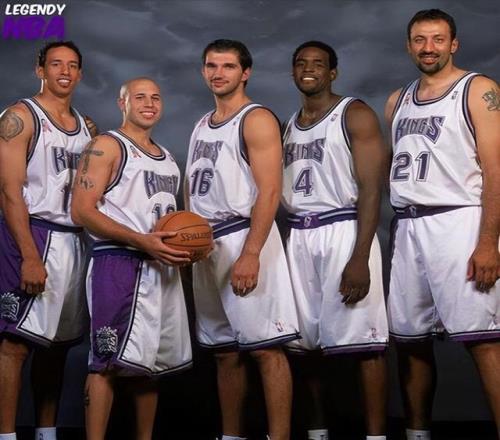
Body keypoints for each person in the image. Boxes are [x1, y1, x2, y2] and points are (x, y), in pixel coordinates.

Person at [385, 9, 500, 440]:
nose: (428, 47)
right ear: (409, 45)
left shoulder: (479, 90)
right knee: (410, 341)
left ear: (454, 44)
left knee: (483, 338)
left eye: (437, 39)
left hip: (459, 223)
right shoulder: (396, 100)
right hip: (408, 226)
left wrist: (488, 243)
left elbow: (496, 171)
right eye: (420, 39)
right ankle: (417, 434)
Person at [185, 39, 299, 440]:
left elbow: (270, 191)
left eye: (228, 66)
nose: (219, 73)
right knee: (224, 353)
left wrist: (251, 253)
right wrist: (187, 245)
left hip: (244, 237)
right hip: (206, 246)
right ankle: (231, 436)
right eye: (212, 66)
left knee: (266, 349)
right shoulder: (202, 123)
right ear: (204, 71)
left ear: (245, 72)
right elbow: (191, 193)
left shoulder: (256, 118)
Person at [71, 77, 192, 440]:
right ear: (122, 103)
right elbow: (82, 211)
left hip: (160, 266)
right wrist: (141, 240)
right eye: (139, 97)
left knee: (150, 365)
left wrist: (188, 247)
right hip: (118, 263)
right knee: (105, 362)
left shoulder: (168, 159)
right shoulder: (106, 146)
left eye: (155, 97)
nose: (149, 103)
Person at [282, 41, 389, 440]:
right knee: (304, 345)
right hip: (299, 235)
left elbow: (372, 190)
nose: (308, 69)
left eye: (318, 64)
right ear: (293, 71)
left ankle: (376, 436)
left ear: (333, 73)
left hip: (344, 230)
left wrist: (360, 256)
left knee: (366, 344)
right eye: (301, 63)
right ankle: (317, 432)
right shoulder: (288, 125)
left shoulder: (354, 114)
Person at [0, 41, 96, 440]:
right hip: (32, 233)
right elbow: (8, 191)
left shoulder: (88, 128)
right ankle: (6, 435)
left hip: (73, 241)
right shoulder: (20, 116)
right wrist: (28, 255)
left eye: (72, 65)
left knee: (56, 345)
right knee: (15, 344)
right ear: (40, 69)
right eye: (56, 64)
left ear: (80, 74)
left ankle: (46, 431)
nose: (65, 71)